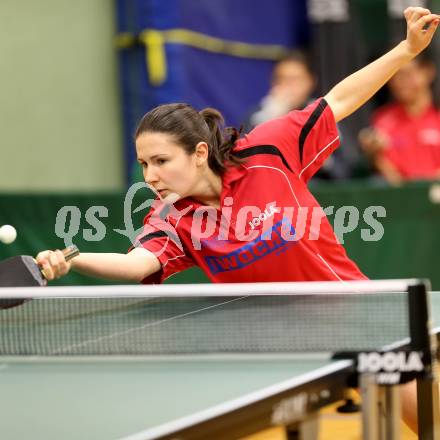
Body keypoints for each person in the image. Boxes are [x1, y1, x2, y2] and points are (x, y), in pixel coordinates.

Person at [37, 7, 438, 433]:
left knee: (424, 424)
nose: (150, 176)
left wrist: (407, 48)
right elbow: (138, 263)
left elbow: (338, 100)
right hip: (273, 345)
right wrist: (75, 259)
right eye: (143, 164)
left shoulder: (266, 151)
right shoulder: (173, 219)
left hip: (353, 315)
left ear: (197, 153)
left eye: (160, 161)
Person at [359, 54, 440, 185]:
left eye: (407, 74)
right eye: (394, 75)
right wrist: (373, 153)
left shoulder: (436, 116)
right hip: (398, 197)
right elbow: (388, 171)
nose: (400, 81)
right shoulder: (382, 119)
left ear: (428, 72)